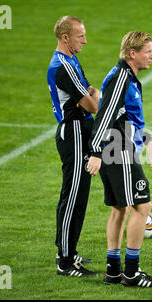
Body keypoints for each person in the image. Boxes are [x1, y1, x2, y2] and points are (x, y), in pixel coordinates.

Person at [86, 31, 152, 287]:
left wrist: (148, 140)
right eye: (148, 51)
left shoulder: (126, 76)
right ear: (133, 54)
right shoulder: (121, 77)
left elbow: (126, 116)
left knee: (120, 208)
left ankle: (113, 270)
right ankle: (132, 273)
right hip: (118, 151)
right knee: (143, 207)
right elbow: (105, 115)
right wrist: (96, 152)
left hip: (117, 149)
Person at [47, 16, 100, 277]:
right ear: (65, 37)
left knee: (79, 195)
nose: (85, 40)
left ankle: (70, 250)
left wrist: (90, 96)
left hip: (81, 129)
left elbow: (88, 91)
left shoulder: (71, 61)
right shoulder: (63, 66)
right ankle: (65, 260)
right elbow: (92, 103)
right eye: (81, 36)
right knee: (72, 197)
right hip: (74, 132)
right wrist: (93, 97)